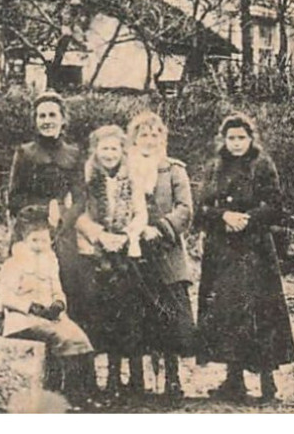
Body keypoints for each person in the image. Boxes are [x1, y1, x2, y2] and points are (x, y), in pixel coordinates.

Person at [195, 113, 294, 404]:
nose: (236, 143)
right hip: (222, 251)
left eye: (242, 137)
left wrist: (248, 219)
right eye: (231, 138)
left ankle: (268, 384)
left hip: (254, 252)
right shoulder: (215, 166)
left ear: (251, 139)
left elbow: (275, 205)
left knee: (259, 314)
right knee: (227, 313)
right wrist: (223, 216)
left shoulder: (262, 165)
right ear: (223, 140)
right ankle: (234, 380)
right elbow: (201, 207)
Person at [5, 92, 93, 339]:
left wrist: (64, 219)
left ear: (63, 120)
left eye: (52, 115)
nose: (47, 120)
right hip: (30, 227)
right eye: (41, 116)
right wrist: (43, 213)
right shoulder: (25, 153)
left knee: (67, 283)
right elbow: (14, 198)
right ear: (35, 121)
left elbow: (80, 198)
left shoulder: (73, 154)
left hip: (63, 229)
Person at [74, 124, 150, 395]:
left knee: (126, 315)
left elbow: (141, 213)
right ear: (95, 151)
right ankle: (99, 380)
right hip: (93, 252)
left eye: (114, 148)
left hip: (124, 253)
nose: (109, 154)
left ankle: (124, 377)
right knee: (98, 316)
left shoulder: (132, 178)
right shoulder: (85, 177)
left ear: (122, 151)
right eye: (104, 148)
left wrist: (128, 235)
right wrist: (100, 236)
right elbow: (78, 214)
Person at [126, 110, 196, 399]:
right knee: (135, 316)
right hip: (133, 251)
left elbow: (185, 209)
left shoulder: (174, 170)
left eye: (156, 135)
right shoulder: (124, 168)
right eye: (144, 134)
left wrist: (161, 228)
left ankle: (173, 378)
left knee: (170, 319)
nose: (150, 140)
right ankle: (136, 380)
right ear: (134, 138)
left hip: (166, 253)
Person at [0, 205, 94, 406]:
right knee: (63, 338)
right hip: (24, 320)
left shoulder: (50, 260)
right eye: (34, 240)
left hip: (50, 317)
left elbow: (57, 289)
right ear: (24, 239)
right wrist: (30, 307)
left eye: (44, 240)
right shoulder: (15, 262)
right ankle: (63, 397)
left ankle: (82, 393)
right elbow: (6, 297)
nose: (39, 245)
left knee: (82, 340)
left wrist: (59, 304)